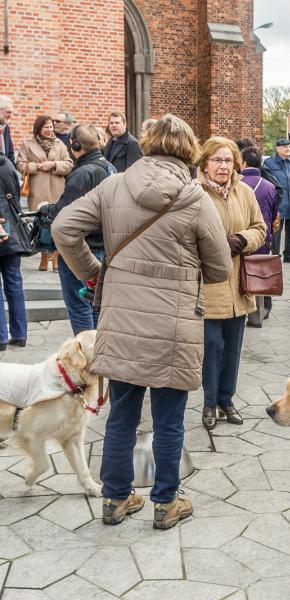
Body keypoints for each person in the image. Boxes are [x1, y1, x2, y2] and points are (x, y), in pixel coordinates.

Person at [52, 114, 232, 529]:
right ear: (190, 150)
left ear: (147, 144)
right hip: (174, 322)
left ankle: (115, 499)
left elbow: (64, 227)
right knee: (169, 418)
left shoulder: (113, 185)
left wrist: (93, 271)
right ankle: (166, 502)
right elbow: (220, 268)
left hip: (121, 315)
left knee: (122, 413)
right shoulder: (195, 197)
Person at [197, 136, 266, 431]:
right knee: (212, 346)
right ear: (205, 163)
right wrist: (213, 245)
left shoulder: (245, 192)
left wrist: (242, 240)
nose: (223, 166)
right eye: (217, 160)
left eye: (228, 161)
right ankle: (209, 402)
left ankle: (227, 400)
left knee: (233, 348)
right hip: (208, 284)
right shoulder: (194, 193)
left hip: (239, 283)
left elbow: (260, 228)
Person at [37, 125, 113, 334]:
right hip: (103, 247)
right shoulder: (109, 168)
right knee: (97, 304)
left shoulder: (82, 173)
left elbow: (64, 214)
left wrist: (45, 209)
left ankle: (86, 355)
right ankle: (98, 352)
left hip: (79, 249)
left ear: (75, 145)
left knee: (79, 305)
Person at [17, 115, 74, 271]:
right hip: (38, 190)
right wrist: (37, 167)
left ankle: (56, 257)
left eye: (51, 127)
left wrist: (53, 164)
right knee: (41, 223)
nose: (49, 130)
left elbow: (69, 164)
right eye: (46, 127)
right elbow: (20, 165)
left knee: (57, 222)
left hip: (57, 189)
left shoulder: (60, 144)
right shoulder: (27, 144)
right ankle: (43, 256)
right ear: (38, 129)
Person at [239, 144, 279, 328]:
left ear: (243, 162)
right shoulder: (270, 186)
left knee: (239, 274)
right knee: (259, 277)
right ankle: (257, 317)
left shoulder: (236, 183)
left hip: (240, 238)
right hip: (262, 237)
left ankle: (240, 311)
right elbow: (273, 213)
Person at [0, 152, 26, 351]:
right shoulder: (7, 164)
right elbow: (14, 194)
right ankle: (19, 333)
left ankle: (1, 336)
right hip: (11, 230)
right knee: (14, 283)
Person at [264, 139, 290, 263]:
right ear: (278, 148)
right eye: (285, 147)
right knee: (276, 229)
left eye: (289, 147)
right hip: (278, 201)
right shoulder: (270, 163)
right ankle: (275, 254)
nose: (288, 149)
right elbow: (267, 181)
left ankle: (288, 255)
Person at [0, 96, 14, 162]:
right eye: (8, 112)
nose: (11, 115)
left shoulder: (6, 128)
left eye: (12, 112)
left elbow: (10, 154)